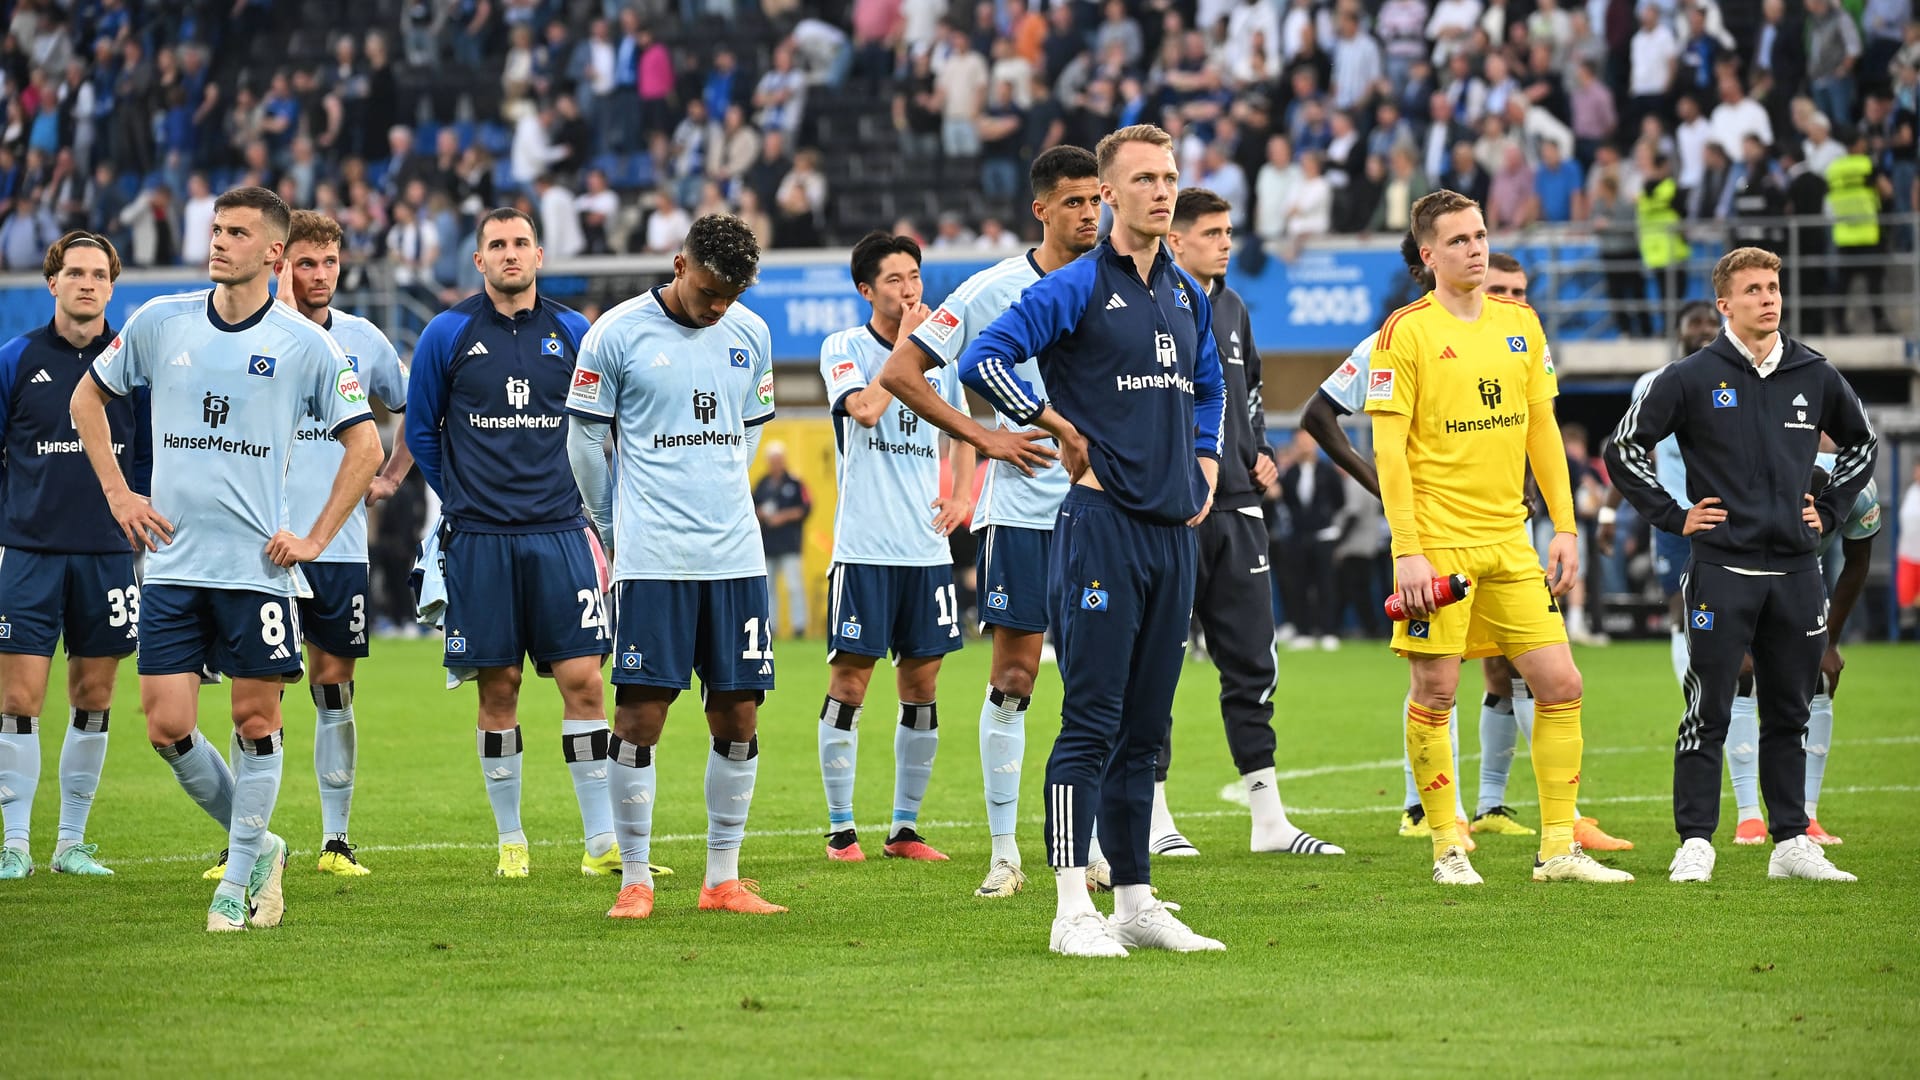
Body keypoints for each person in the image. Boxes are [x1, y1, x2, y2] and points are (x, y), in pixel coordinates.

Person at [71, 186, 382, 930]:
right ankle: (264, 844)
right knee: (165, 724)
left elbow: (365, 446)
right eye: (216, 228)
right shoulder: (160, 321)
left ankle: (237, 879)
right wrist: (120, 496)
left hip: (255, 569)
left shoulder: (308, 345)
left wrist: (311, 538)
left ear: (271, 251)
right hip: (174, 564)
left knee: (253, 718)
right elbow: (88, 399)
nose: (219, 241)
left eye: (237, 232)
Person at [959, 124, 1229, 957]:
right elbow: (984, 359)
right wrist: (1051, 422)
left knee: (1147, 728)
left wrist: (1208, 466)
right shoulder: (1077, 286)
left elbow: (1211, 387)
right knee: (1091, 721)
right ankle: (1072, 905)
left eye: (1171, 177)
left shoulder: (1186, 294)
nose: (1162, 191)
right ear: (1108, 194)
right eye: (1144, 178)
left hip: (1170, 536)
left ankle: (1138, 902)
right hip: (1099, 529)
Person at [1302, 241, 1632, 852]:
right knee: (1439, 680)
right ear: (1430, 261)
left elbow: (1535, 427)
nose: (1506, 297)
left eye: (1517, 291)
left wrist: (1555, 516)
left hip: (1507, 531)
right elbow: (1325, 417)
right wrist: (1391, 503)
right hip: (1433, 536)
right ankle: (1426, 811)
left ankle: (1516, 811)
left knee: (1527, 672)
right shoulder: (1396, 337)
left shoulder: (1521, 333)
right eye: (1499, 286)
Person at [872, 145, 1101, 899]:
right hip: (1026, 516)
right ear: (1041, 209)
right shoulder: (989, 291)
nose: (1090, 213)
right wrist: (984, 437)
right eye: (1075, 201)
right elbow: (902, 372)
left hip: (1108, 516)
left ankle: (1093, 843)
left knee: (1101, 684)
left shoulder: (1128, 285)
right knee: (1014, 676)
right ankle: (1004, 852)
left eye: (1097, 199)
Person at [1605, 246, 1877, 884]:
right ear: (1725, 304)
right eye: (1753, 289)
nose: (1769, 298)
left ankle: (1791, 841)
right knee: (1710, 707)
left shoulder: (1815, 372)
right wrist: (1674, 515)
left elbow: (1863, 441)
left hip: (1795, 571)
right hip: (1721, 569)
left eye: (1775, 287)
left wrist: (1831, 509)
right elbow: (1624, 449)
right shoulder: (1691, 376)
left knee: (1792, 707)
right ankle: (1695, 841)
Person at [565, 213, 787, 920]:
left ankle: (723, 878)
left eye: (734, 293)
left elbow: (746, 438)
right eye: (711, 290)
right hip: (653, 558)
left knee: (739, 713)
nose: (720, 306)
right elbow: (584, 439)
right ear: (679, 264)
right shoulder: (617, 333)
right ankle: (636, 876)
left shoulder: (750, 334)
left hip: (734, 557)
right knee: (640, 716)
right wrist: (608, 528)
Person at [404, 208, 618, 881]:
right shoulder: (447, 333)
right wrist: (466, 496)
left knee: (585, 682)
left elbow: (599, 427)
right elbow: (420, 433)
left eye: (520, 243)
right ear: (479, 261)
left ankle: (601, 842)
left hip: (560, 532)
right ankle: (511, 839)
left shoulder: (576, 332)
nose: (510, 254)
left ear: (540, 254)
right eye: (496, 245)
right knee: (497, 689)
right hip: (481, 539)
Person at [1150, 188, 1342, 860]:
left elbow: (1249, 392)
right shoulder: (1152, 303)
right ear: (1175, 241)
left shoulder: (1232, 307)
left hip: (1237, 509)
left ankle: (1269, 820)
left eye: (1229, 231)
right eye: (1211, 233)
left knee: (1254, 662)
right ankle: (1153, 815)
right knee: (1156, 667)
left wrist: (1257, 450)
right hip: (1169, 512)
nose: (1227, 243)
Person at [812, 233, 974, 864]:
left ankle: (905, 829)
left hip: (925, 551)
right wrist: (909, 344)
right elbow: (868, 411)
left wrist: (961, 495)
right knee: (850, 683)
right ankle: (840, 829)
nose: (910, 291)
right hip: (864, 548)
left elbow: (961, 426)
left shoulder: (943, 359)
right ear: (866, 290)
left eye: (915, 277)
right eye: (895, 281)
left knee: (923, 684)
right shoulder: (843, 348)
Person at [266, 210, 412, 876]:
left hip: (339, 546)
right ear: (280, 264)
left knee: (334, 688)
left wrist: (392, 474)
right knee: (257, 695)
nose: (318, 275)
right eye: (305, 262)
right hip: (263, 543)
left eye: (328, 262)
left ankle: (335, 841)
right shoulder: (253, 336)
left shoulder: (363, 339)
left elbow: (412, 404)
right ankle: (247, 841)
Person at [0, 233, 148, 881]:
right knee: (19, 698)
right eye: (75, 273)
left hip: (108, 555)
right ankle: (13, 843)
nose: (87, 284)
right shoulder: (15, 360)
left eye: (99, 275)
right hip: (29, 554)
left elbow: (148, 463)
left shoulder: (133, 370)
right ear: (52, 281)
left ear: (112, 288)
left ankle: (70, 844)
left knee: (94, 695)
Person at [1722, 443, 1880, 846]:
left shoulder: (1861, 493)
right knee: (1742, 675)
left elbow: (1857, 563)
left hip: (1802, 576)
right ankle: (1749, 816)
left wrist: (1832, 640)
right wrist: (1735, 639)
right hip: (1738, 569)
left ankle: (1807, 815)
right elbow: (1713, 554)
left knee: (1822, 678)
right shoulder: (1748, 483)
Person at [1596, 301, 1725, 694]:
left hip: (1730, 516)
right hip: (1674, 517)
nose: (1703, 329)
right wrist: (1607, 513)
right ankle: (1694, 700)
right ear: (1678, 332)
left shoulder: (1738, 379)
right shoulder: (1653, 383)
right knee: (1679, 610)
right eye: (1694, 323)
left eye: (1710, 322)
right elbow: (1631, 453)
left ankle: (1734, 698)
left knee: (1734, 613)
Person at [753, 442, 812, 638]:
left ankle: (799, 626)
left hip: (789, 544)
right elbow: (751, 507)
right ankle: (772, 627)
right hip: (767, 545)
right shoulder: (762, 484)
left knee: (794, 586)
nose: (776, 464)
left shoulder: (795, 483)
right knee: (769, 589)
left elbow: (805, 508)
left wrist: (783, 516)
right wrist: (761, 513)